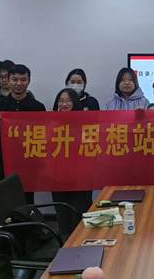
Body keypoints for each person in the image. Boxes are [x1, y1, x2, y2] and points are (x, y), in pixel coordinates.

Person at [0, 64, 46, 203]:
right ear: (8, 81)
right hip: (0, 162)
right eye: (15, 79)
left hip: (27, 163)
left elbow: (45, 136)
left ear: (29, 81)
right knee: (0, 201)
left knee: (26, 201)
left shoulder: (37, 107)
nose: (19, 83)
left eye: (23, 79)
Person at [51, 88, 92, 237]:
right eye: (61, 101)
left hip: (80, 177)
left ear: (75, 103)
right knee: (62, 213)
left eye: (68, 101)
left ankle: (80, 243)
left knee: (78, 213)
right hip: (58, 176)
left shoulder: (85, 123)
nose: (64, 104)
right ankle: (64, 244)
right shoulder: (49, 122)